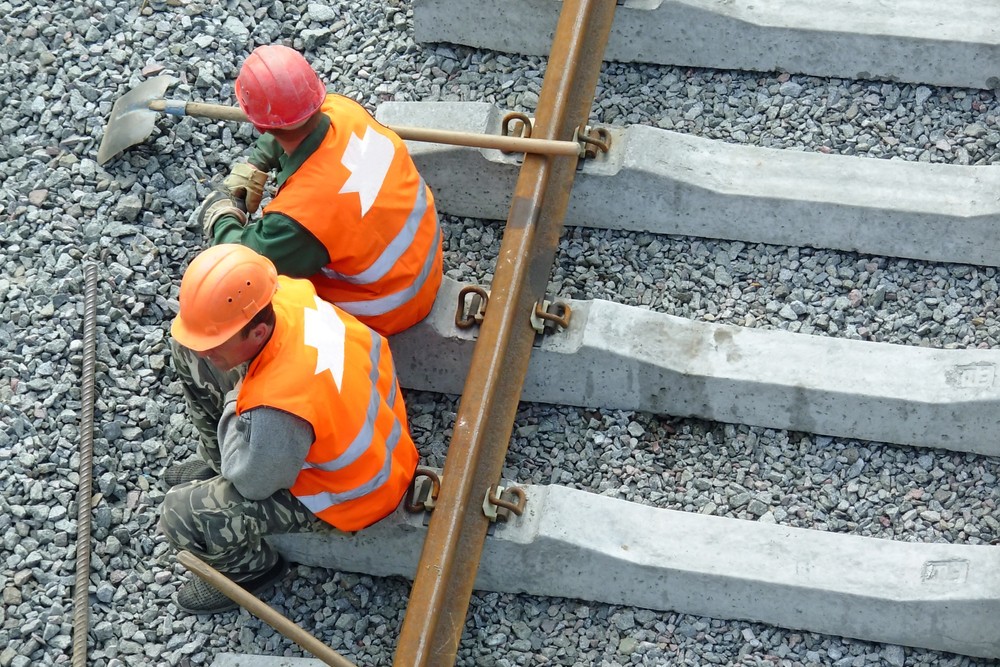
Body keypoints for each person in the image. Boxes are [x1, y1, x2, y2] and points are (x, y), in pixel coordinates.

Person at [159, 243, 419, 614]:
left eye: (216, 346)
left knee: (181, 514)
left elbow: (252, 483)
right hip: (366, 430)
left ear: (257, 333)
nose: (206, 353)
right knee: (184, 347)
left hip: (355, 493)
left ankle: (248, 572)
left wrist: (237, 400)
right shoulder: (285, 295)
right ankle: (213, 459)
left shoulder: (277, 409)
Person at [198, 43, 443, 337]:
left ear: (258, 125)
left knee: (250, 311)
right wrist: (257, 164)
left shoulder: (301, 216)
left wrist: (222, 216)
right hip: (424, 267)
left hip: (386, 310)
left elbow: (244, 262)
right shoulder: (344, 110)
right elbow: (293, 126)